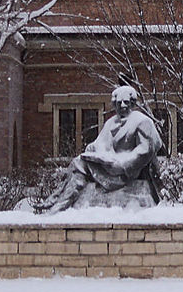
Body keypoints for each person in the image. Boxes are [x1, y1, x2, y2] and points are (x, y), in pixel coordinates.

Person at [42, 85, 163, 213]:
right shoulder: (111, 122)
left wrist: (123, 164)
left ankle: (60, 202)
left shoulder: (142, 121)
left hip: (126, 171)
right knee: (78, 162)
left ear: (132, 103)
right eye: (118, 103)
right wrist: (92, 148)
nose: (122, 106)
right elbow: (101, 143)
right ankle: (60, 200)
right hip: (109, 165)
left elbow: (146, 149)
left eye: (126, 102)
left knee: (79, 164)